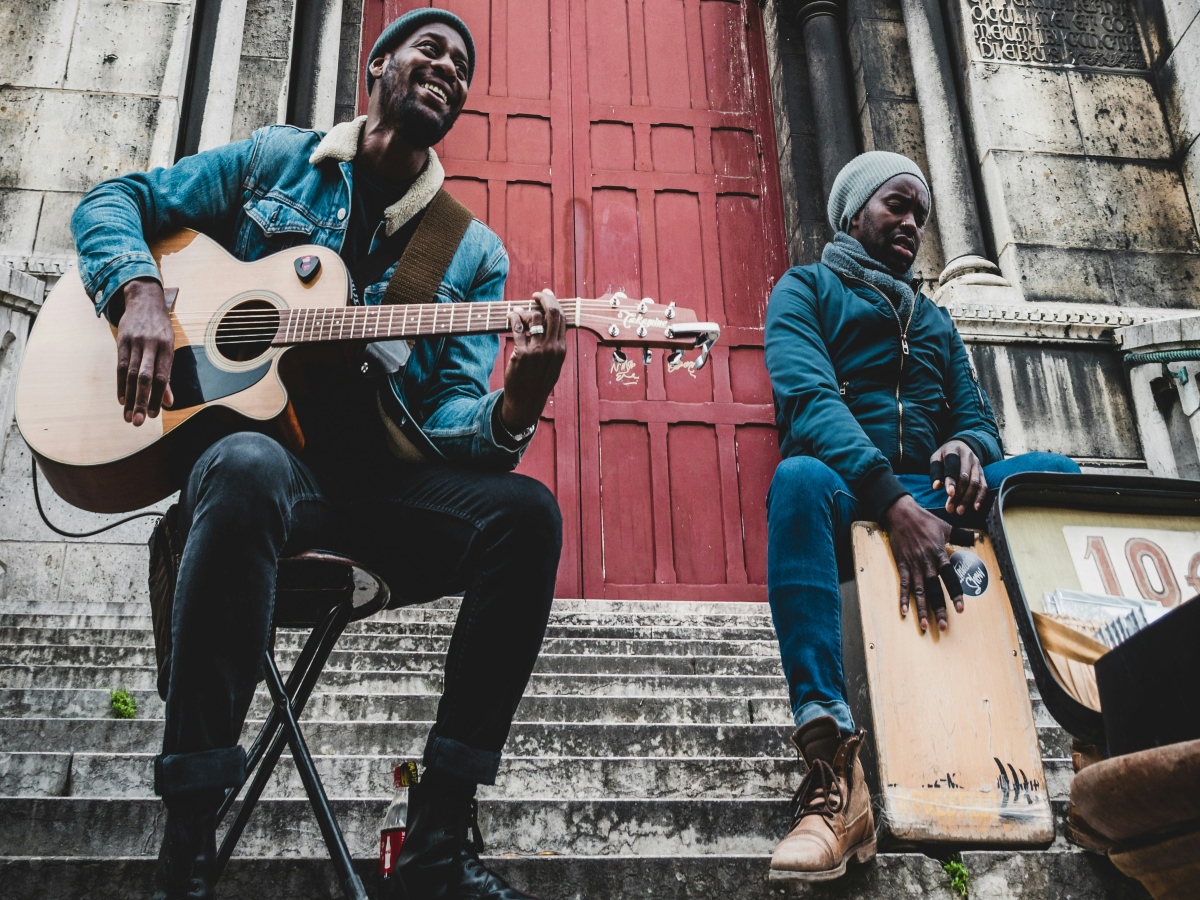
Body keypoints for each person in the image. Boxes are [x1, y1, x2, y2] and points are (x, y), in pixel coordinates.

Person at [71, 9, 562, 900]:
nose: (448, 68)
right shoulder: (272, 161)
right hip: (260, 489)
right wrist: (136, 291)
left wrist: (512, 410)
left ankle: (438, 843)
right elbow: (113, 200)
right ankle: (187, 838)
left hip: (379, 500)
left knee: (527, 515)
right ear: (376, 64)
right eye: (430, 49)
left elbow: (449, 411)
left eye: (463, 66)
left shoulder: (468, 250)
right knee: (246, 463)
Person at [762, 151, 1080, 882]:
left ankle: (1096, 732)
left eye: (921, 216)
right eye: (896, 206)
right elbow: (809, 406)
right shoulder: (804, 291)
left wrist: (968, 450)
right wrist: (892, 502)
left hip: (935, 501)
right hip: (850, 492)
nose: (911, 223)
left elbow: (979, 421)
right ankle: (833, 775)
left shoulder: (933, 319)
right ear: (853, 213)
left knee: (1053, 480)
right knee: (798, 476)